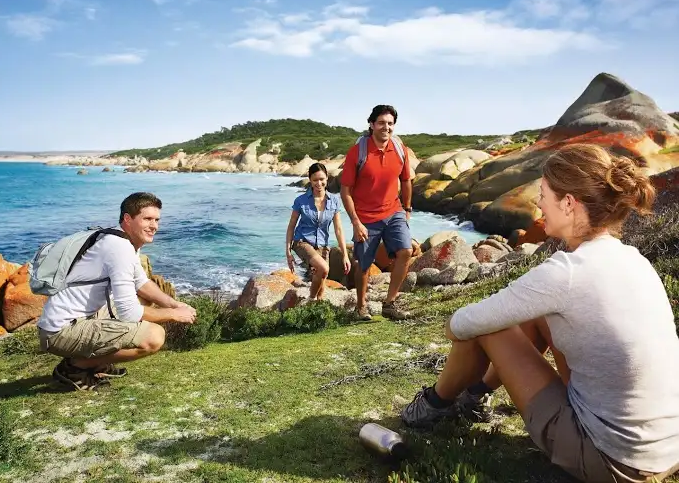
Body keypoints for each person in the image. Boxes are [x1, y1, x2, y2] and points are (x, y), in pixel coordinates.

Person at [400, 144, 679, 483]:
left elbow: (462, 324)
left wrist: (456, 324)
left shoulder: (566, 272)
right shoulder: (634, 259)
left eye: (544, 194)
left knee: (488, 327)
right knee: (536, 315)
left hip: (613, 462)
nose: (538, 203)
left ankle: (434, 405)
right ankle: (474, 397)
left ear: (569, 203)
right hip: (665, 449)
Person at [37, 192, 197, 391]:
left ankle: (96, 361)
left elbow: (141, 283)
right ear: (128, 219)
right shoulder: (118, 248)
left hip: (71, 319)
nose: (154, 226)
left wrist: (174, 304)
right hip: (61, 331)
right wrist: (173, 315)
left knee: (142, 305)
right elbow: (129, 313)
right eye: (147, 219)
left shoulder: (119, 238)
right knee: (154, 337)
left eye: (157, 220)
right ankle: (76, 367)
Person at [340, 104, 414, 321]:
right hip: (365, 217)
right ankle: (361, 307)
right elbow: (345, 191)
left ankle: (390, 303)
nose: (386, 127)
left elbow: (406, 180)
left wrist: (407, 209)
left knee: (406, 252)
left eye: (390, 123)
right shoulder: (358, 152)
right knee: (363, 265)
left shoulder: (400, 149)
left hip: (394, 211)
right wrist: (356, 222)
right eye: (381, 123)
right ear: (371, 125)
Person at [285, 163, 351, 300]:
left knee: (321, 285)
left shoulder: (334, 201)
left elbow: (338, 229)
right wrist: (288, 252)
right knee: (324, 268)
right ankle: (310, 299)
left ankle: (315, 311)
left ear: (327, 178)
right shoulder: (301, 201)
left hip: (322, 245)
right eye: (315, 180)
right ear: (310, 180)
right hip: (302, 242)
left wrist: (345, 254)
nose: (319, 183)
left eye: (322, 179)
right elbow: (291, 226)